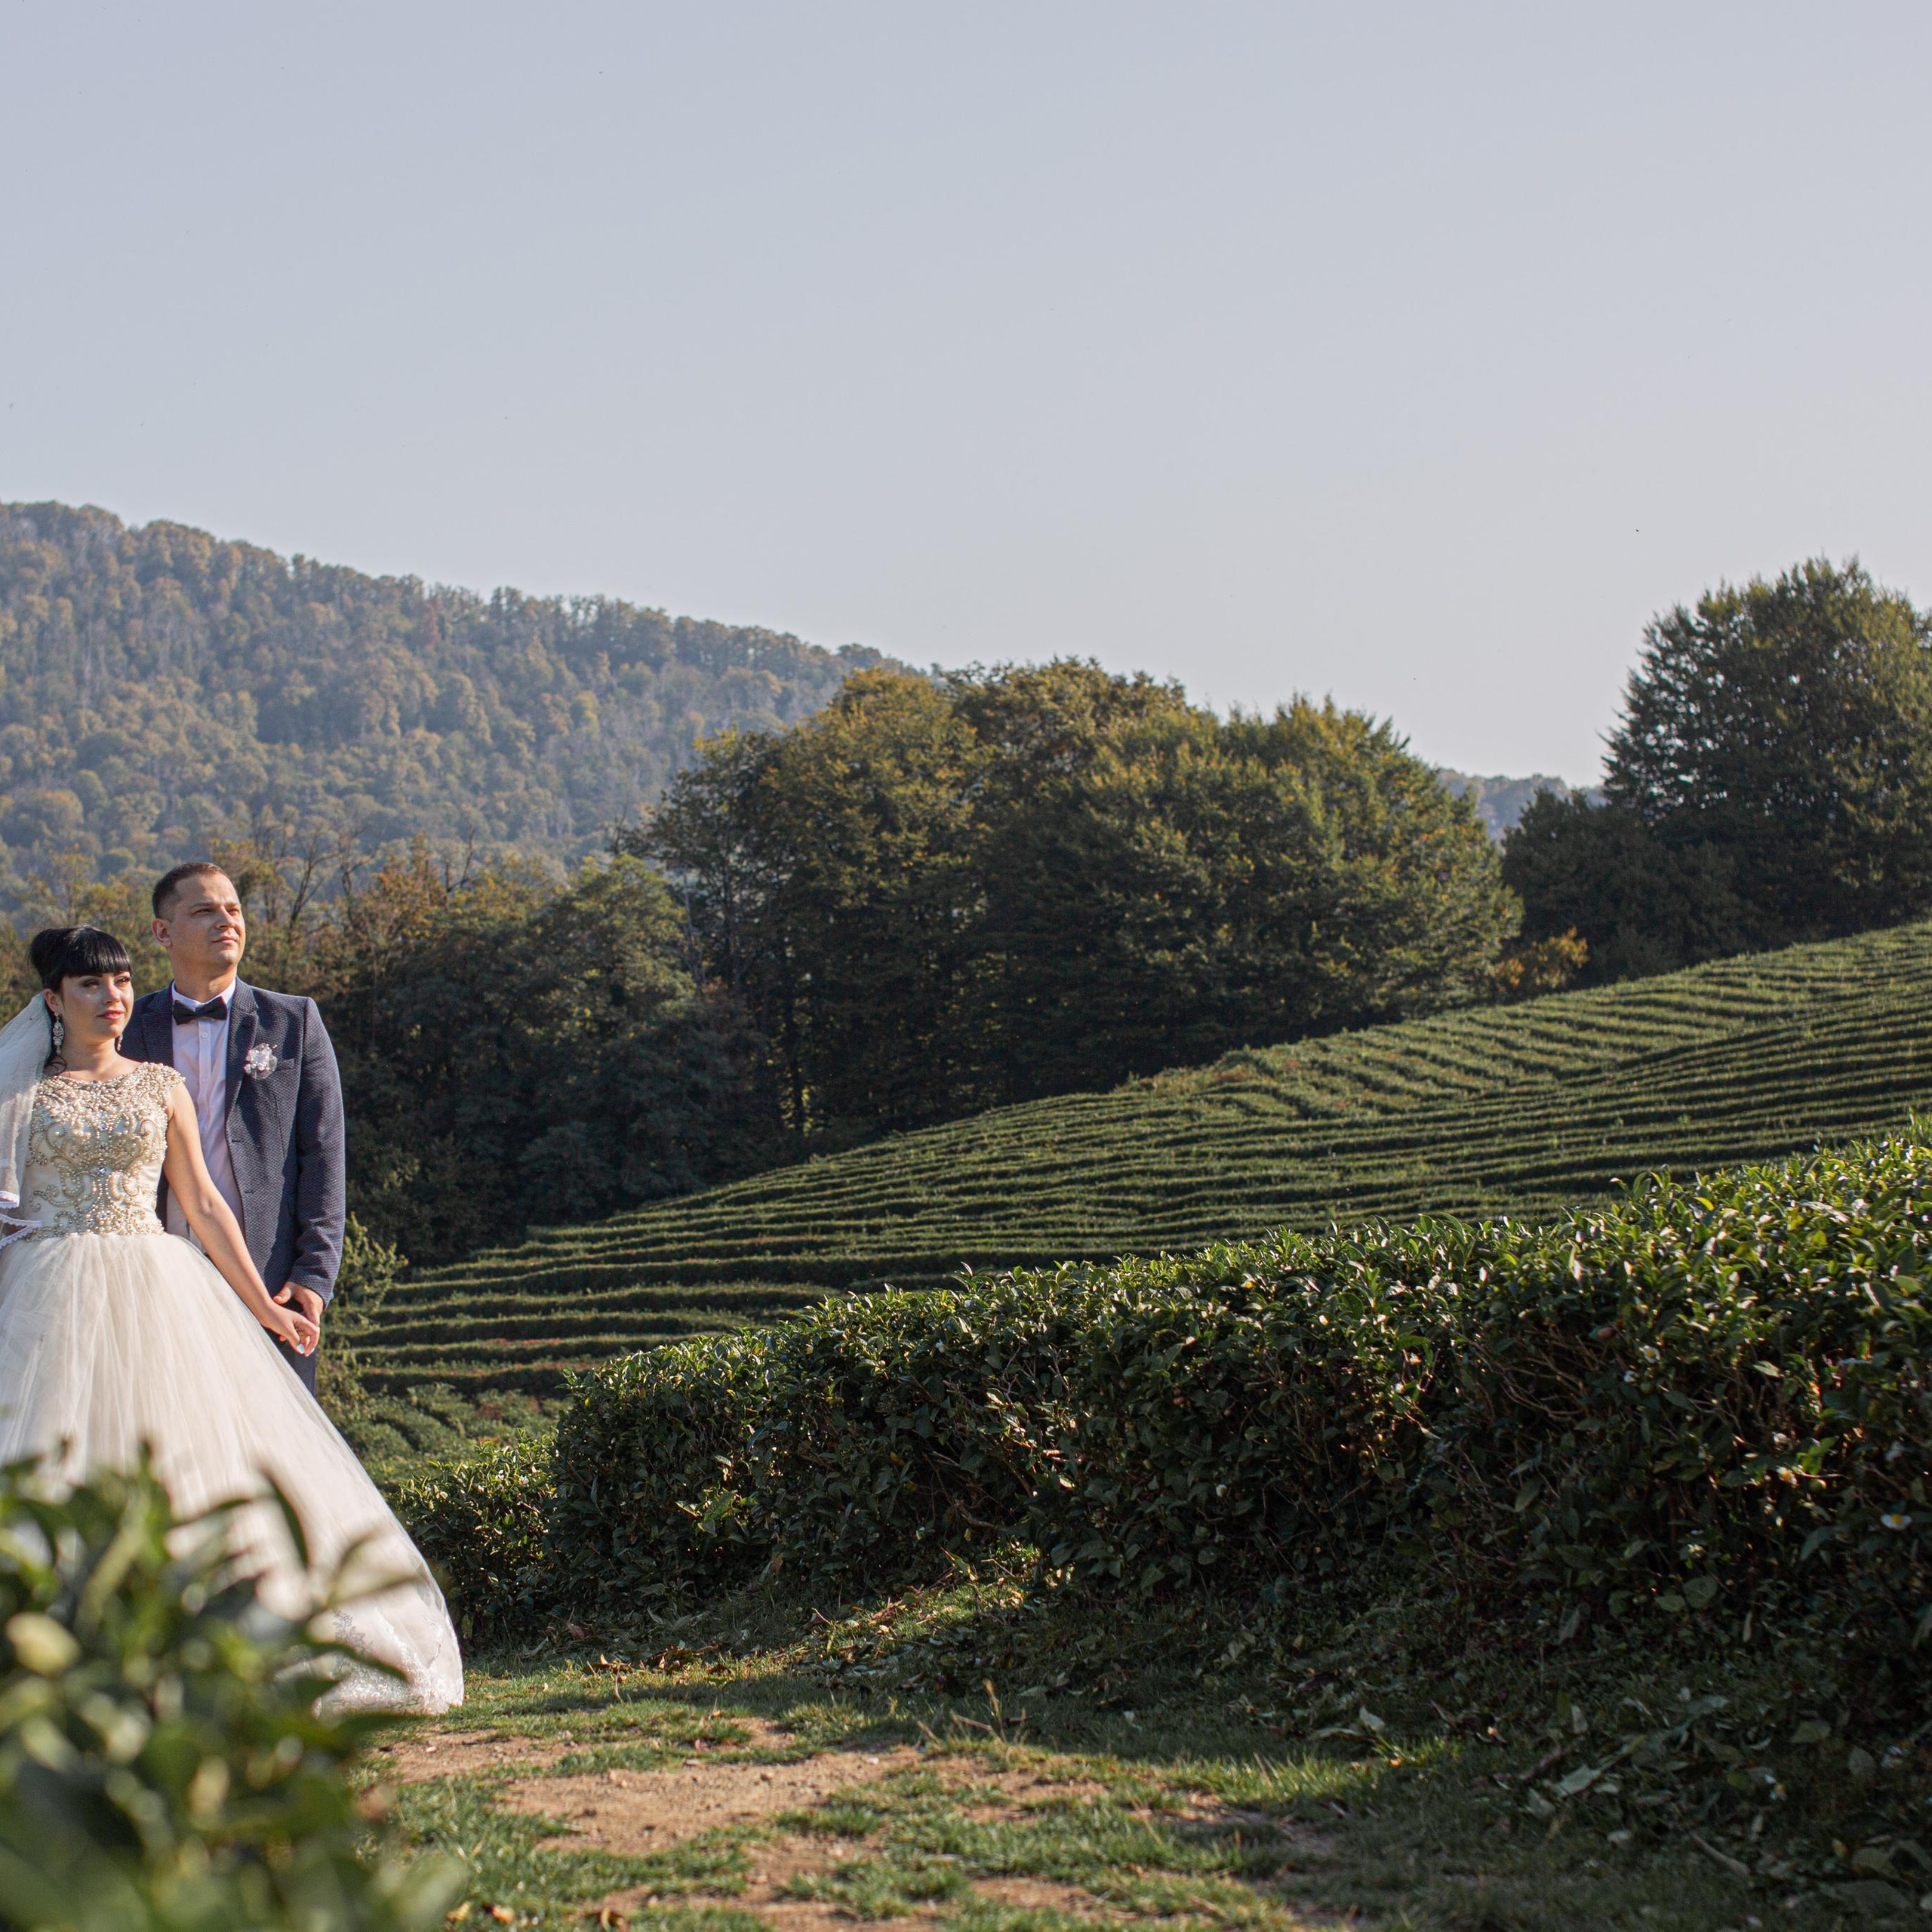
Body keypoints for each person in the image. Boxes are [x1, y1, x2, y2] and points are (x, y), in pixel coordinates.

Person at [0, 924, 461, 1712]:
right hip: (46, 1289)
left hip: (156, 1285)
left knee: (181, 1456)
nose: (112, 998)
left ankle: (192, 1643)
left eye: (119, 983)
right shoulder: (21, 1094)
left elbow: (206, 1205)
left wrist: (263, 1308)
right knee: (54, 1453)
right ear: (53, 999)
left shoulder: (159, 1085)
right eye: (89, 986)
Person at [119, 863, 341, 1395]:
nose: (227, 922)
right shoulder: (125, 1029)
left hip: (270, 1282)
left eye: (233, 910)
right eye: (204, 911)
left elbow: (325, 1155)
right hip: (153, 1281)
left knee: (273, 1453)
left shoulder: (294, 1021)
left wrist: (314, 1275)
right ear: (162, 931)